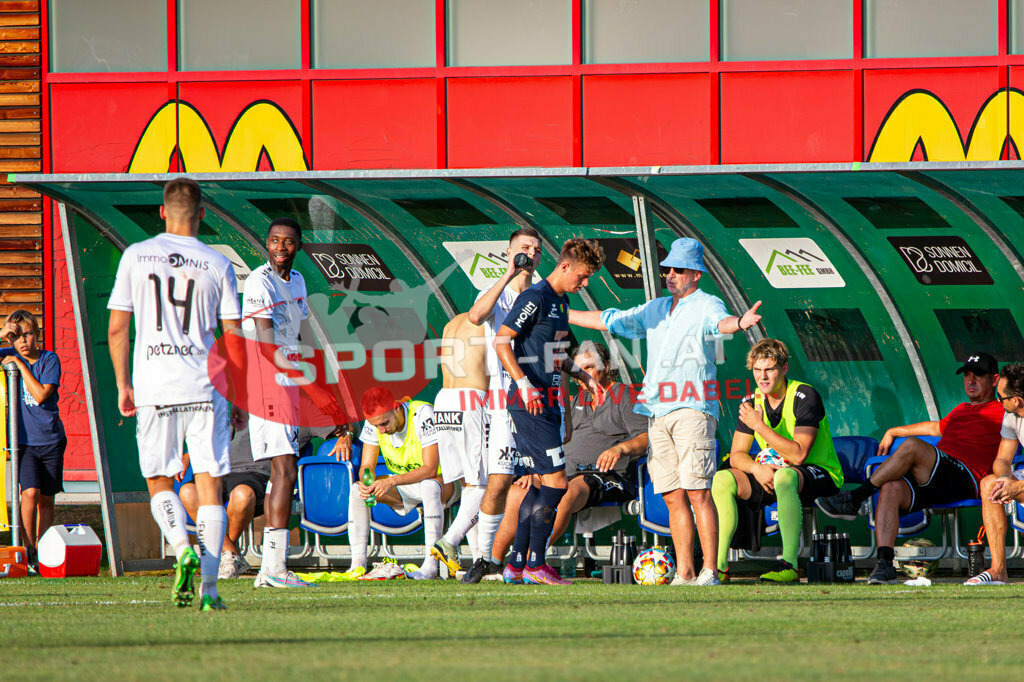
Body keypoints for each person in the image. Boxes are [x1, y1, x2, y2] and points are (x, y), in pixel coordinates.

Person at [569, 237, 762, 586]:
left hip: (692, 409)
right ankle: (685, 572)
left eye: (679, 269)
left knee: (698, 491)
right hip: (656, 412)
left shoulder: (707, 303)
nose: (670, 274)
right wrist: (559, 310)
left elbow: (721, 323)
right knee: (672, 495)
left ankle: (710, 571)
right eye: (667, 269)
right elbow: (609, 319)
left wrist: (740, 322)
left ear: (697, 273)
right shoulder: (655, 308)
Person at [107, 177, 242, 611]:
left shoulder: (135, 256)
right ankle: (210, 589)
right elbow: (234, 337)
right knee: (210, 485)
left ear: (161, 212)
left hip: (155, 387)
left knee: (159, 481)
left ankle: (181, 545)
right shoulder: (217, 263)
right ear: (203, 213)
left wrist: (123, 383)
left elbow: (117, 328)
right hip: (206, 389)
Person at [817, 351, 1004, 584]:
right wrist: (893, 430)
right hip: (937, 475)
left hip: (966, 476)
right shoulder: (961, 410)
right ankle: (884, 564)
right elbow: (935, 427)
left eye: (978, 375)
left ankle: (856, 497)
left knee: (913, 446)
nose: (971, 380)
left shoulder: (1005, 410)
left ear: (994, 380)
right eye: (967, 375)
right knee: (891, 488)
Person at [495, 237, 605, 586]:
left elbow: (560, 351)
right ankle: (536, 564)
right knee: (557, 483)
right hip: (530, 401)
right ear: (565, 266)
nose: (585, 283)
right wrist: (524, 384)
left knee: (542, 484)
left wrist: (583, 376)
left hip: (546, 401)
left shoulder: (561, 301)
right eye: (583, 276)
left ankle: (516, 564)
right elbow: (501, 340)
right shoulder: (535, 297)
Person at [244, 217, 343, 589]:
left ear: (297, 246)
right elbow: (268, 346)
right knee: (285, 471)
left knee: (279, 477)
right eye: (274, 241)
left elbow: (298, 337)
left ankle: (271, 566)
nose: (280, 247)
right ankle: (274, 568)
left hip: (288, 383)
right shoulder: (258, 282)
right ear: (266, 244)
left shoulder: (297, 281)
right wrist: (313, 389)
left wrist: (318, 379)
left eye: (288, 242)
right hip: (267, 385)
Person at [490, 341, 648, 563]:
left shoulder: (624, 395)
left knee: (564, 493)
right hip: (565, 472)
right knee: (519, 492)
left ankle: (528, 562)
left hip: (605, 476)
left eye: (591, 367)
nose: (585, 374)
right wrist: (536, 471)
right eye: (580, 369)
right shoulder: (577, 400)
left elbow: (647, 438)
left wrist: (621, 448)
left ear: (607, 366)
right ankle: (494, 563)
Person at [712, 338, 843, 583]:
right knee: (722, 479)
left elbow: (798, 455)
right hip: (772, 473)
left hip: (818, 472)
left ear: (783, 369)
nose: (763, 376)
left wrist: (759, 426)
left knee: (785, 476)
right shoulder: (751, 403)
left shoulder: (805, 395)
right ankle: (718, 568)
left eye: (769, 369)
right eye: (757, 370)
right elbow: (737, 455)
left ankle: (790, 565)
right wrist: (756, 469)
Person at [461, 228, 543, 584]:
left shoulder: (544, 295)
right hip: (504, 398)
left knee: (542, 479)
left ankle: (530, 560)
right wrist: (508, 273)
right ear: (509, 252)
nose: (530, 254)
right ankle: (484, 558)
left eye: (536, 250)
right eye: (524, 248)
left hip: (539, 395)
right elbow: (476, 317)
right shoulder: (497, 292)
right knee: (498, 481)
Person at [179, 424, 348, 579]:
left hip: (259, 477)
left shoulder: (300, 413)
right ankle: (230, 552)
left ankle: (228, 555)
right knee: (187, 491)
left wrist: (346, 436)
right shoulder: (246, 408)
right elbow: (215, 438)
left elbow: (347, 425)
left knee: (241, 495)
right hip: (221, 472)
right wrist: (188, 455)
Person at [339, 386, 454, 580]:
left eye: (384, 423)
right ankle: (357, 566)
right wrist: (367, 481)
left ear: (396, 408)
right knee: (357, 490)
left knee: (428, 485)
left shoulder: (422, 413)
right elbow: (367, 465)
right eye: (377, 426)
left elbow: (430, 469)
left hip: (445, 482)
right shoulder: (375, 423)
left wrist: (392, 481)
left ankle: (430, 566)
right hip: (405, 485)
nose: (381, 431)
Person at [0, 310, 66, 572]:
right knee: (29, 493)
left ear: (37, 334)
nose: (23, 341)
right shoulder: (10, 353)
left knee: (46, 500)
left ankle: (44, 553)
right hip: (24, 443)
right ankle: (27, 551)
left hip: (51, 440)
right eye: (17, 337)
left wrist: (20, 366)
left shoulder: (49, 359)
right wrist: (3, 336)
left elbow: (40, 395)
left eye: (28, 334)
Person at [428, 312, 488, 576]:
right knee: (483, 485)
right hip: (471, 398)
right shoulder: (488, 320)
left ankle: (478, 560)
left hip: (444, 400)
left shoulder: (453, 321)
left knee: (469, 486)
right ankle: (449, 541)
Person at [964, 362, 1024, 585]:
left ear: (1016, 400)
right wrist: (1005, 481)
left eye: (1002, 398)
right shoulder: (1012, 416)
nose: (999, 402)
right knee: (990, 484)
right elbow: (1002, 459)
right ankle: (998, 570)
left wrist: (1016, 487)